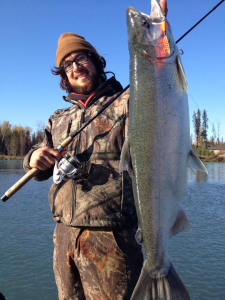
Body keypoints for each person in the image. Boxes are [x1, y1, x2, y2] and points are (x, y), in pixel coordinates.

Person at [23, 2, 168, 299]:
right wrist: (32, 158)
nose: (75, 67)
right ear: (63, 75)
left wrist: (159, 29)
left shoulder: (129, 101)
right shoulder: (58, 118)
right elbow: (40, 160)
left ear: (96, 61)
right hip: (64, 236)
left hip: (113, 239)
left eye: (81, 58)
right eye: (67, 65)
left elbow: (160, 91)